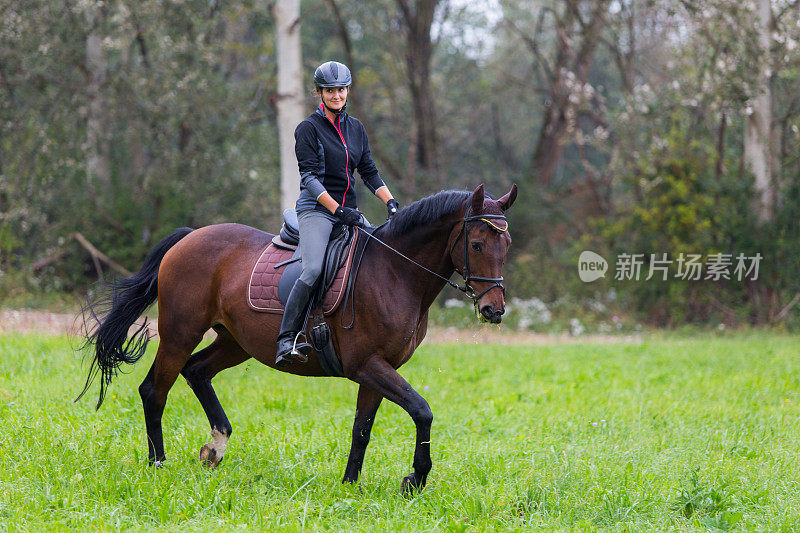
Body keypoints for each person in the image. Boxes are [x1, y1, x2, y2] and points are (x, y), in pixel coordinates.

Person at [275, 60, 400, 367]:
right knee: (314, 269)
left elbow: (368, 171)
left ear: (347, 91)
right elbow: (310, 178)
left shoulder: (356, 128)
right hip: (317, 210)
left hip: (349, 212)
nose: (337, 95)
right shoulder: (308, 129)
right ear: (320, 93)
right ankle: (286, 339)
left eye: (341, 89)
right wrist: (338, 210)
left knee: (379, 257)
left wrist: (390, 201)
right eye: (330, 90)